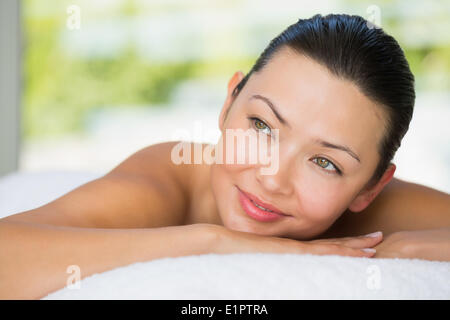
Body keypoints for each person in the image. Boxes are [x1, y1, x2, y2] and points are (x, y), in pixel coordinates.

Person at [1, 14, 449, 300]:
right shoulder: (166, 180)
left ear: (370, 188)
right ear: (229, 101)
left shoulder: (372, 219)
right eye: (262, 126)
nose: (273, 180)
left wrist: (403, 248)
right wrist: (209, 241)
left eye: (325, 163)